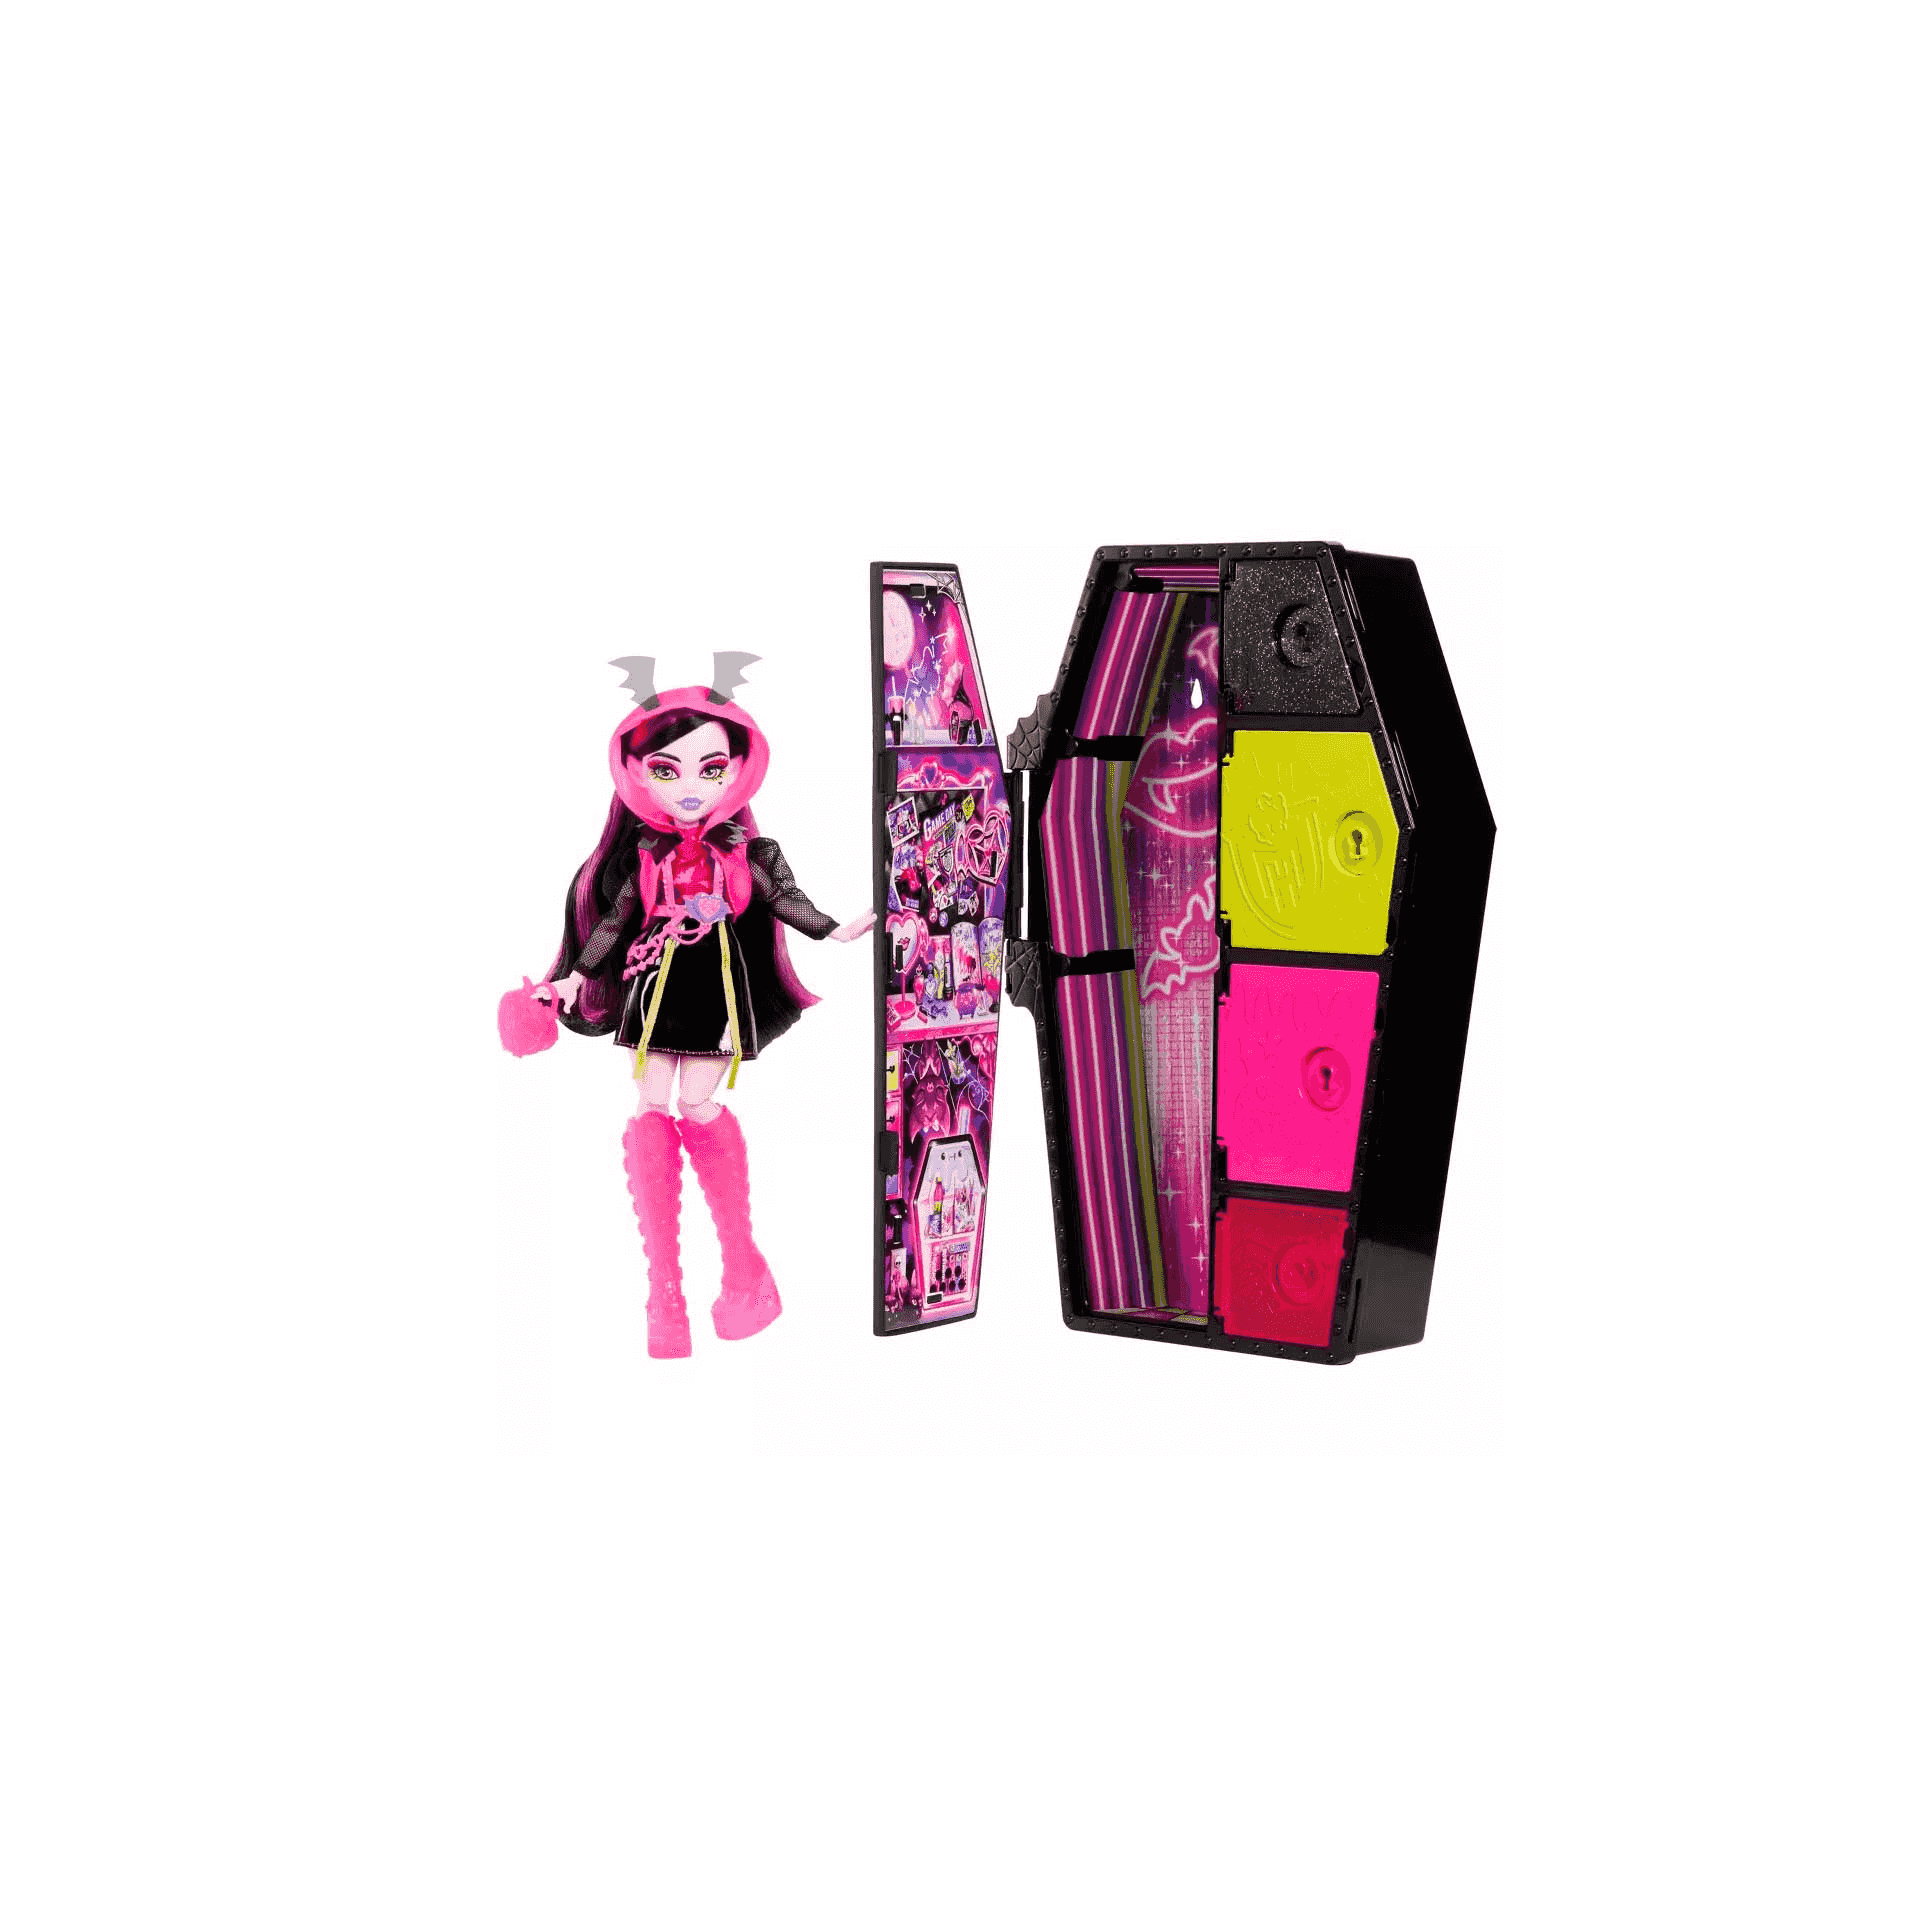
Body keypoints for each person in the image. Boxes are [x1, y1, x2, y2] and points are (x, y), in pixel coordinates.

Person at [508, 654, 873, 1358]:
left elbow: (787, 902)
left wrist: (837, 929)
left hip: (714, 986)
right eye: (666, 770)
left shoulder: (748, 850)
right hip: (655, 986)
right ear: (636, 773)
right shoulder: (644, 853)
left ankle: (739, 1261)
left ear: (739, 769)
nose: (690, 788)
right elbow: (613, 922)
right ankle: (665, 1291)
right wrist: (572, 978)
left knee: (697, 1103)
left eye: (711, 768)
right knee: (651, 1106)